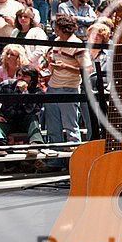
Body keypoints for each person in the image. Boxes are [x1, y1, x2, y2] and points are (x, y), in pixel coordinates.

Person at [42, 15, 90, 170]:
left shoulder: (77, 45)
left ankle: (75, 163)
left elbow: (87, 69)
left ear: (62, 28)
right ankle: (56, 160)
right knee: (53, 125)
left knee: (71, 126)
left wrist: (65, 67)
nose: (54, 29)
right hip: (53, 86)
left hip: (69, 87)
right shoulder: (56, 42)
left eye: (56, 26)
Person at [0, 66, 46, 162]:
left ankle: (35, 144)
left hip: (25, 122)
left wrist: (24, 92)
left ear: (32, 79)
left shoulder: (38, 92)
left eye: (25, 76)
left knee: (32, 118)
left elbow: (31, 110)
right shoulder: (7, 86)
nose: (20, 78)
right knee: (0, 123)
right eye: (19, 75)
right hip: (8, 119)